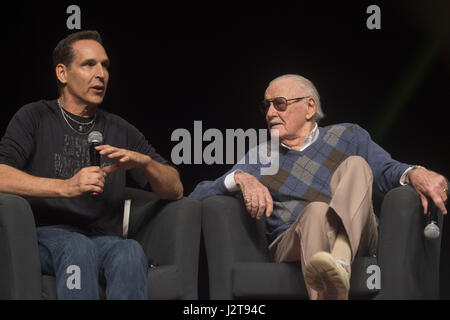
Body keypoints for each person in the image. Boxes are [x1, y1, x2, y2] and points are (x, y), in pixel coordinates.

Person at [189, 74, 448, 300]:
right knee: (315, 212)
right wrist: (241, 178)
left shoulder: (349, 135)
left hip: (360, 235)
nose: (270, 114)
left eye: (279, 104)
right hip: (294, 241)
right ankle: (340, 265)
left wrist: (415, 172)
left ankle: (340, 257)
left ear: (309, 106)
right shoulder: (261, 156)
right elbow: (198, 195)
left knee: (356, 164)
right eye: (266, 106)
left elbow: (387, 170)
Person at [0, 30, 183, 300]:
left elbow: (175, 189)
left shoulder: (120, 129)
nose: (101, 74)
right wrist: (66, 187)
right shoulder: (34, 117)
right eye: (89, 64)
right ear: (62, 73)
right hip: (45, 237)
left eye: (105, 65)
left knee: (131, 250)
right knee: (77, 246)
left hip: (102, 240)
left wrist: (144, 162)